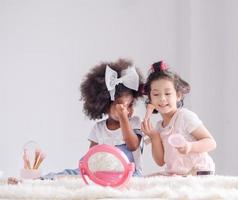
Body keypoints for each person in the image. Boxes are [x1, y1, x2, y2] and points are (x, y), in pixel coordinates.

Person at [7, 59, 144, 184]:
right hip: (99, 173)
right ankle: (36, 182)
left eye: (130, 105)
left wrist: (123, 118)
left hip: (127, 174)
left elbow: (132, 146)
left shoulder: (134, 122)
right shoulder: (99, 128)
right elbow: (91, 157)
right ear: (105, 105)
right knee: (68, 174)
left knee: (129, 182)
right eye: (120, 105)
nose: (126, 110)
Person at [141, 61, 216, 176]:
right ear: (150, 99)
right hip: (177, 174)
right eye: (156, 94)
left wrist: (190, 146)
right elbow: (160, 161)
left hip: (199, 170)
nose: (162, 99)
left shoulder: (184, 116)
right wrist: (154, 136)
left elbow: (211, 143)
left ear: (178, 95)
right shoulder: (159, 127)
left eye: (167, 93)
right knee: (147, 180)